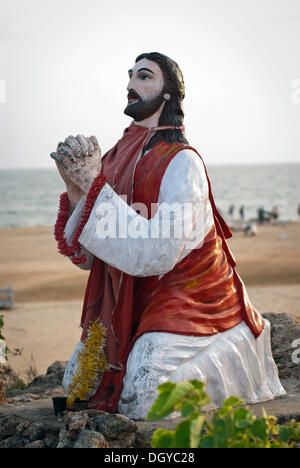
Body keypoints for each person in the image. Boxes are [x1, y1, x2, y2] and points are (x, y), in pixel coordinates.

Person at [51, 52, 285, 420]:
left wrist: (91, 186)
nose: (130, 85)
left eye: (144, 77)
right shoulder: (112, 159)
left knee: (144, 396)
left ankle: (235, 343)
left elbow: (157, 254)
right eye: (130, 77)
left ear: (167, 96)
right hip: (130, 293)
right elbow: (87, 259)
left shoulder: (183, 161)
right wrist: (78, 190)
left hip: (191, 293)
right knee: (76, 384)